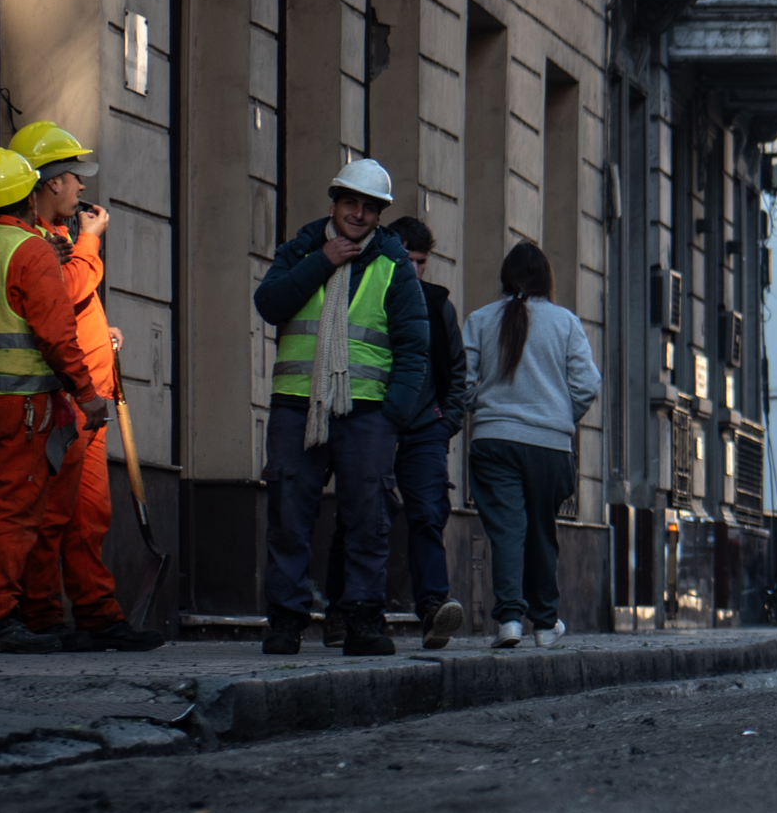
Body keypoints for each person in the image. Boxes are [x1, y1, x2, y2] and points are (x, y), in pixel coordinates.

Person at [252, 159, 429, 656]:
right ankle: (286, 622)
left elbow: (415, 347)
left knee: (367, 519)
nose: (358, 214)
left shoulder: (393, 265)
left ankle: (363, 621)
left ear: (378, 215)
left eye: (369, 208)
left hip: (368, 414)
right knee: (289, 514)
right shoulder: (302, 249)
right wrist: (322, 260)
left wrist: (393, 415)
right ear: (334, 203)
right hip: (297, 407)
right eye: (350, 203)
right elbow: (269, 304)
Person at [0, 147, 111, 652]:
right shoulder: (30, 252)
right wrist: (88, 394)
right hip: (19, 406)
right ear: (28, 193)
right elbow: (57, 336)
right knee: (15, 515)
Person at [6, 121, 163, 652]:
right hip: (65, 398)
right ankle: (44, 614)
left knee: (89, 513)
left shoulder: (64, 239)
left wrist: (102, 327)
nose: (80, 190)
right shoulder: (34, 244)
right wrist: (92, 245)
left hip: (90, 395)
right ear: (49, 183)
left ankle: (97, 612)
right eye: (74, 178)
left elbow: (76, 303)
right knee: (53, 513)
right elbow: (65, 292)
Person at [324, 216, 467, 650]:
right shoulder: (363, 295)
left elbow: (457, 375)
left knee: (427, 514)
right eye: (407, 257)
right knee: (359, 513)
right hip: (371, 423)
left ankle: (433, 610)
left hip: (424, 428)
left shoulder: (438, 305)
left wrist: (446, 424)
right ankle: (341, 609)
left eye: (420, 261)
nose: (413, 268)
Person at [462, 241, 600, 648]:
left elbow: (464, 381)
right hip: (549, 447)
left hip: (494, 441)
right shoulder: (566, 323)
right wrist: (559, 416)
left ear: (505, 278)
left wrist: (485, 409)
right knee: (541, 530)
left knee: (507, 530)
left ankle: (508, 621)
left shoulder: (480, 320)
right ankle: (544, 625)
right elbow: (587, 384)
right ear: (547, 279)